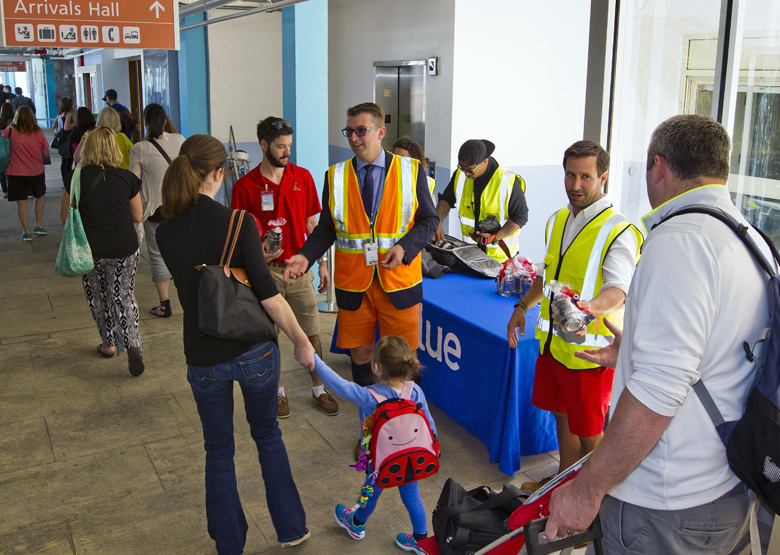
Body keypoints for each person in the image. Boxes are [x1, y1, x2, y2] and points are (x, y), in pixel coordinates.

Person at [543, 115, 777, 553]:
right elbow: (718, 351)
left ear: (659, 167)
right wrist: (628, 354)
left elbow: (659, 390)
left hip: (667, 504)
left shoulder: (680, 240)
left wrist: (587, 488)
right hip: (725, 483)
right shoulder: (748, 238)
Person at [156, 134, 313, 553]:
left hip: (201, 355)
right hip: (252, 351)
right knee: (267, 434)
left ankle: (229, 543)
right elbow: (269, 296)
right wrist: (301, 340)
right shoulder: (240, 221)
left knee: (218, 451)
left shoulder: (165, 231)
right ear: (219, 173)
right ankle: (291, 528)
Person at [506, 140, 642, 491]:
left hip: (590, 356)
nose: (575, 185)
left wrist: (590, 307)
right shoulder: (558, 220)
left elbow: (619, 290)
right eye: (570, 174)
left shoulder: (620, 231)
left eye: (585, 176)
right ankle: (561, 484)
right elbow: (546, 275)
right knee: (561, 419)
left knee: (590, 434)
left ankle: (593, 497)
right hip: (553, 347)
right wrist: (522, 306)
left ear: (603, 178)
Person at [285, 102, 439, 388]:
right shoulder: (335, 176)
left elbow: (429, 221)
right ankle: (369, 422)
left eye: (361, 131)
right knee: (361, 354)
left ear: (380, 132)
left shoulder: (411, 171)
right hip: (354, 283)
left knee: (402, 357)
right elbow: (327, 229)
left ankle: (406, 421)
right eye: (349, 131)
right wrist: (305, 257)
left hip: (398, 282)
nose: (354, 138)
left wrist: (404, 247)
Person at [231, 116, 338, 418]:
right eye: (280, 146)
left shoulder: (302, 178)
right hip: (264, 274)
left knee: (312, 333)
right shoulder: (244, 186)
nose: (286, 151)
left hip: (300, 271)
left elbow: (314, 226)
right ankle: (277, 392)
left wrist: (323, 265)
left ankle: (319, 387)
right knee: (270, 336)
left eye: (289, 145)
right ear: (263, 145)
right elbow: (239, 236)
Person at [314, 336, 436, 555]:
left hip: (379, 461)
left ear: (376, 367)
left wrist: (313, 359)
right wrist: (434, 449)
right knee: (412, 497)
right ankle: (421, 540)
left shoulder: (369, 396)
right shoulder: (416, 391)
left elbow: (339, 385)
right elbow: (429, 424)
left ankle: (357, 523)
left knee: (370, 491)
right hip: (411, 458)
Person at [60, 127, 145, 376]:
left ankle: (108, 344)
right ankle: (132, 343)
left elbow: (66, 215)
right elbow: (138, 215)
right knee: (123, 295)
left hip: (91, 249)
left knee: (99, 297)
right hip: (125, 247)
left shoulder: (76, 177)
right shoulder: (127, 178)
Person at [129, 103, 185, 319]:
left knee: (158, 256)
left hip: (157, 211)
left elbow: (134, 183)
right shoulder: (180, 140)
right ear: (164, 121)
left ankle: (164, 305)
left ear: (145, 122)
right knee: (182, 252)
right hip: (181, 207)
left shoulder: (139, 148)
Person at [434, 139, 529, 262]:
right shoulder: (461, 175)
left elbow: (520, 217)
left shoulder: (508, 181)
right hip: (470, 256)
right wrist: (437, 221)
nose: (466, 174)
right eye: (463, 169)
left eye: (470, 170)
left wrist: (495, 237)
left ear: (485, 161)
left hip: (500, 259)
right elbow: (446, 199)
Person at [3, 106, 50, 241]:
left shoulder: (10, 131)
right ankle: (39, 225)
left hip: (16, 172)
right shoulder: (39, 132)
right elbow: (45, 153)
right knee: (39, 196)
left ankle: (26, 231)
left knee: (22, 202)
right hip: (36, 171)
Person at [55, 97, 75, 181]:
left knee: (64, 162)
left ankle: (64, 180)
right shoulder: (68, 114)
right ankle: (68, 181)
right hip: (67, 139)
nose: (74, 105)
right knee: (68, 162)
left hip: (61, 140)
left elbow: (54, 125)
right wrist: (74, 123)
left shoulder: (59, 114)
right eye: (72, 103)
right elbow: (66, 127)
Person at [0, 102, 14, 198]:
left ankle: (5, 191)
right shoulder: (14, 120)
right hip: (12, 146)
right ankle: (11, 188)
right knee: (11, 169)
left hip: (2, 148)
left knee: (1, 171)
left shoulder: (1, 121)